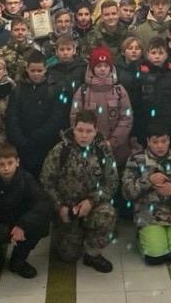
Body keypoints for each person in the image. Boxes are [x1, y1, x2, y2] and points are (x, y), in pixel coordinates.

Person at [40, 110, 119, 272]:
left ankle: (92, 254)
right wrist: (60, 206)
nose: (84, 135)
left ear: (95, 131)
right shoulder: (61, 150)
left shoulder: (103, 151)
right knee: (68, 256)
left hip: (93, 206)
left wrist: (91, 201)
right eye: (80, 130)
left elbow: (111, 182)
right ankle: (70, 234)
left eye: (89, 131)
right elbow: (46, 181)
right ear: (73, 129)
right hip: (67, 209)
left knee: (107, 215)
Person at [121, 122, 171, 265]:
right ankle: (143, 238)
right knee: (155, 256)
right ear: (148, 141)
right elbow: (127, 192)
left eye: (164, 141)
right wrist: (148, 181)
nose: (160, 146)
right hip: (148, 215)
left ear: (169, 141)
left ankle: (170, 237)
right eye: (155, 142)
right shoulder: (136, 160)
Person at [0, 143, 52, 278]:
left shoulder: (26, 179)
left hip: (18, 223)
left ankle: (18, 260)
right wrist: (6, 233)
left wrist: (23, 225)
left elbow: (43, 204)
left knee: (40, 223)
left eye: (10, 163)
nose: (6, 168)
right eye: (1, 164)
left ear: (17, 162)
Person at [5, 52, 65, 178]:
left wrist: (39, 135)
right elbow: (12, 116)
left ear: (45, 69)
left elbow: (57, 116)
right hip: (22, 145)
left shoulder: (55, 88)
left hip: (46, 144)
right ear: (27, 69)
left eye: (39, 70)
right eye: (33, 71)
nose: (36, 74)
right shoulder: (18, 89)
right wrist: (20, 139)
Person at [71, 46, 133, 165]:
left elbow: (127, 118)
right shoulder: (83, 91)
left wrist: (113, 142)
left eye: (106, 66)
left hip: (116, 150)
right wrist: (86, 138)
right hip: (88, 148)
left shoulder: (119, 91)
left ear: (111, 68)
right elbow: (75, 116)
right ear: (92, 69)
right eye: (99, 66)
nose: (103, 69)